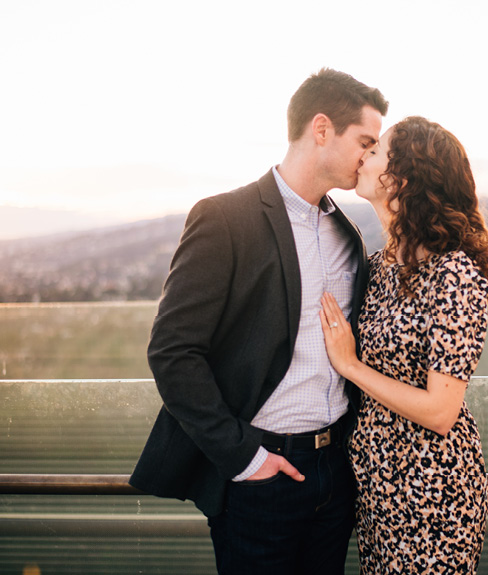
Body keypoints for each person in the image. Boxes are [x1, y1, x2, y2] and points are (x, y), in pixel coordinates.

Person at [129, 68, 388, 575]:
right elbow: (173, 352)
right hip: (260, 475)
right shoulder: (225, 218)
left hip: (336, 472)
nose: (370, 156)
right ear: (321, 129)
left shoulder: (349, 234)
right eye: (365, 141)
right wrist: (248, 460)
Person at [319, 116, 488, 574]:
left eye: (376, 150)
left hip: (432, 493)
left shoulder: (454, 273)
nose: (364, 155)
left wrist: (350, 365)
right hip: (378, 491)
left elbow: (441, 412)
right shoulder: (379, 266)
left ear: (400, 179)